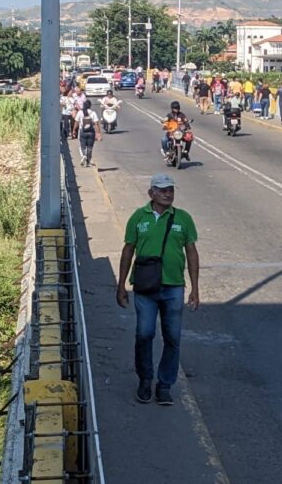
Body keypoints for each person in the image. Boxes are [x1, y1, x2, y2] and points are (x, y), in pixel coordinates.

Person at [117, 173, 200, 406]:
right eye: (162, 190)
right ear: (151, 193)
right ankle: (145, 379)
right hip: (145, 287)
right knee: (144, 334)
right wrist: (121, 285)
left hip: (174, 288)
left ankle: (164, 385)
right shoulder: (138, 217)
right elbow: (128, 250)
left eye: (170, 189)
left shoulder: (183, 219)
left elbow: (192, 253)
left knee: (172, 338)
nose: (167, 193)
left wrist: (194, 288)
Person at [75, 99, 102, 166]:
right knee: (90, 147)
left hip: (82, 132)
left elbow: (76, 122)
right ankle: (88, 161)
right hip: (91, 132)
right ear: (90, 106)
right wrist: (98, 133)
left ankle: (84, 155)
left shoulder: (80, 112)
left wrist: (74, 130)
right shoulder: (93, 113)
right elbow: (96, 123)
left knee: (83, 146)